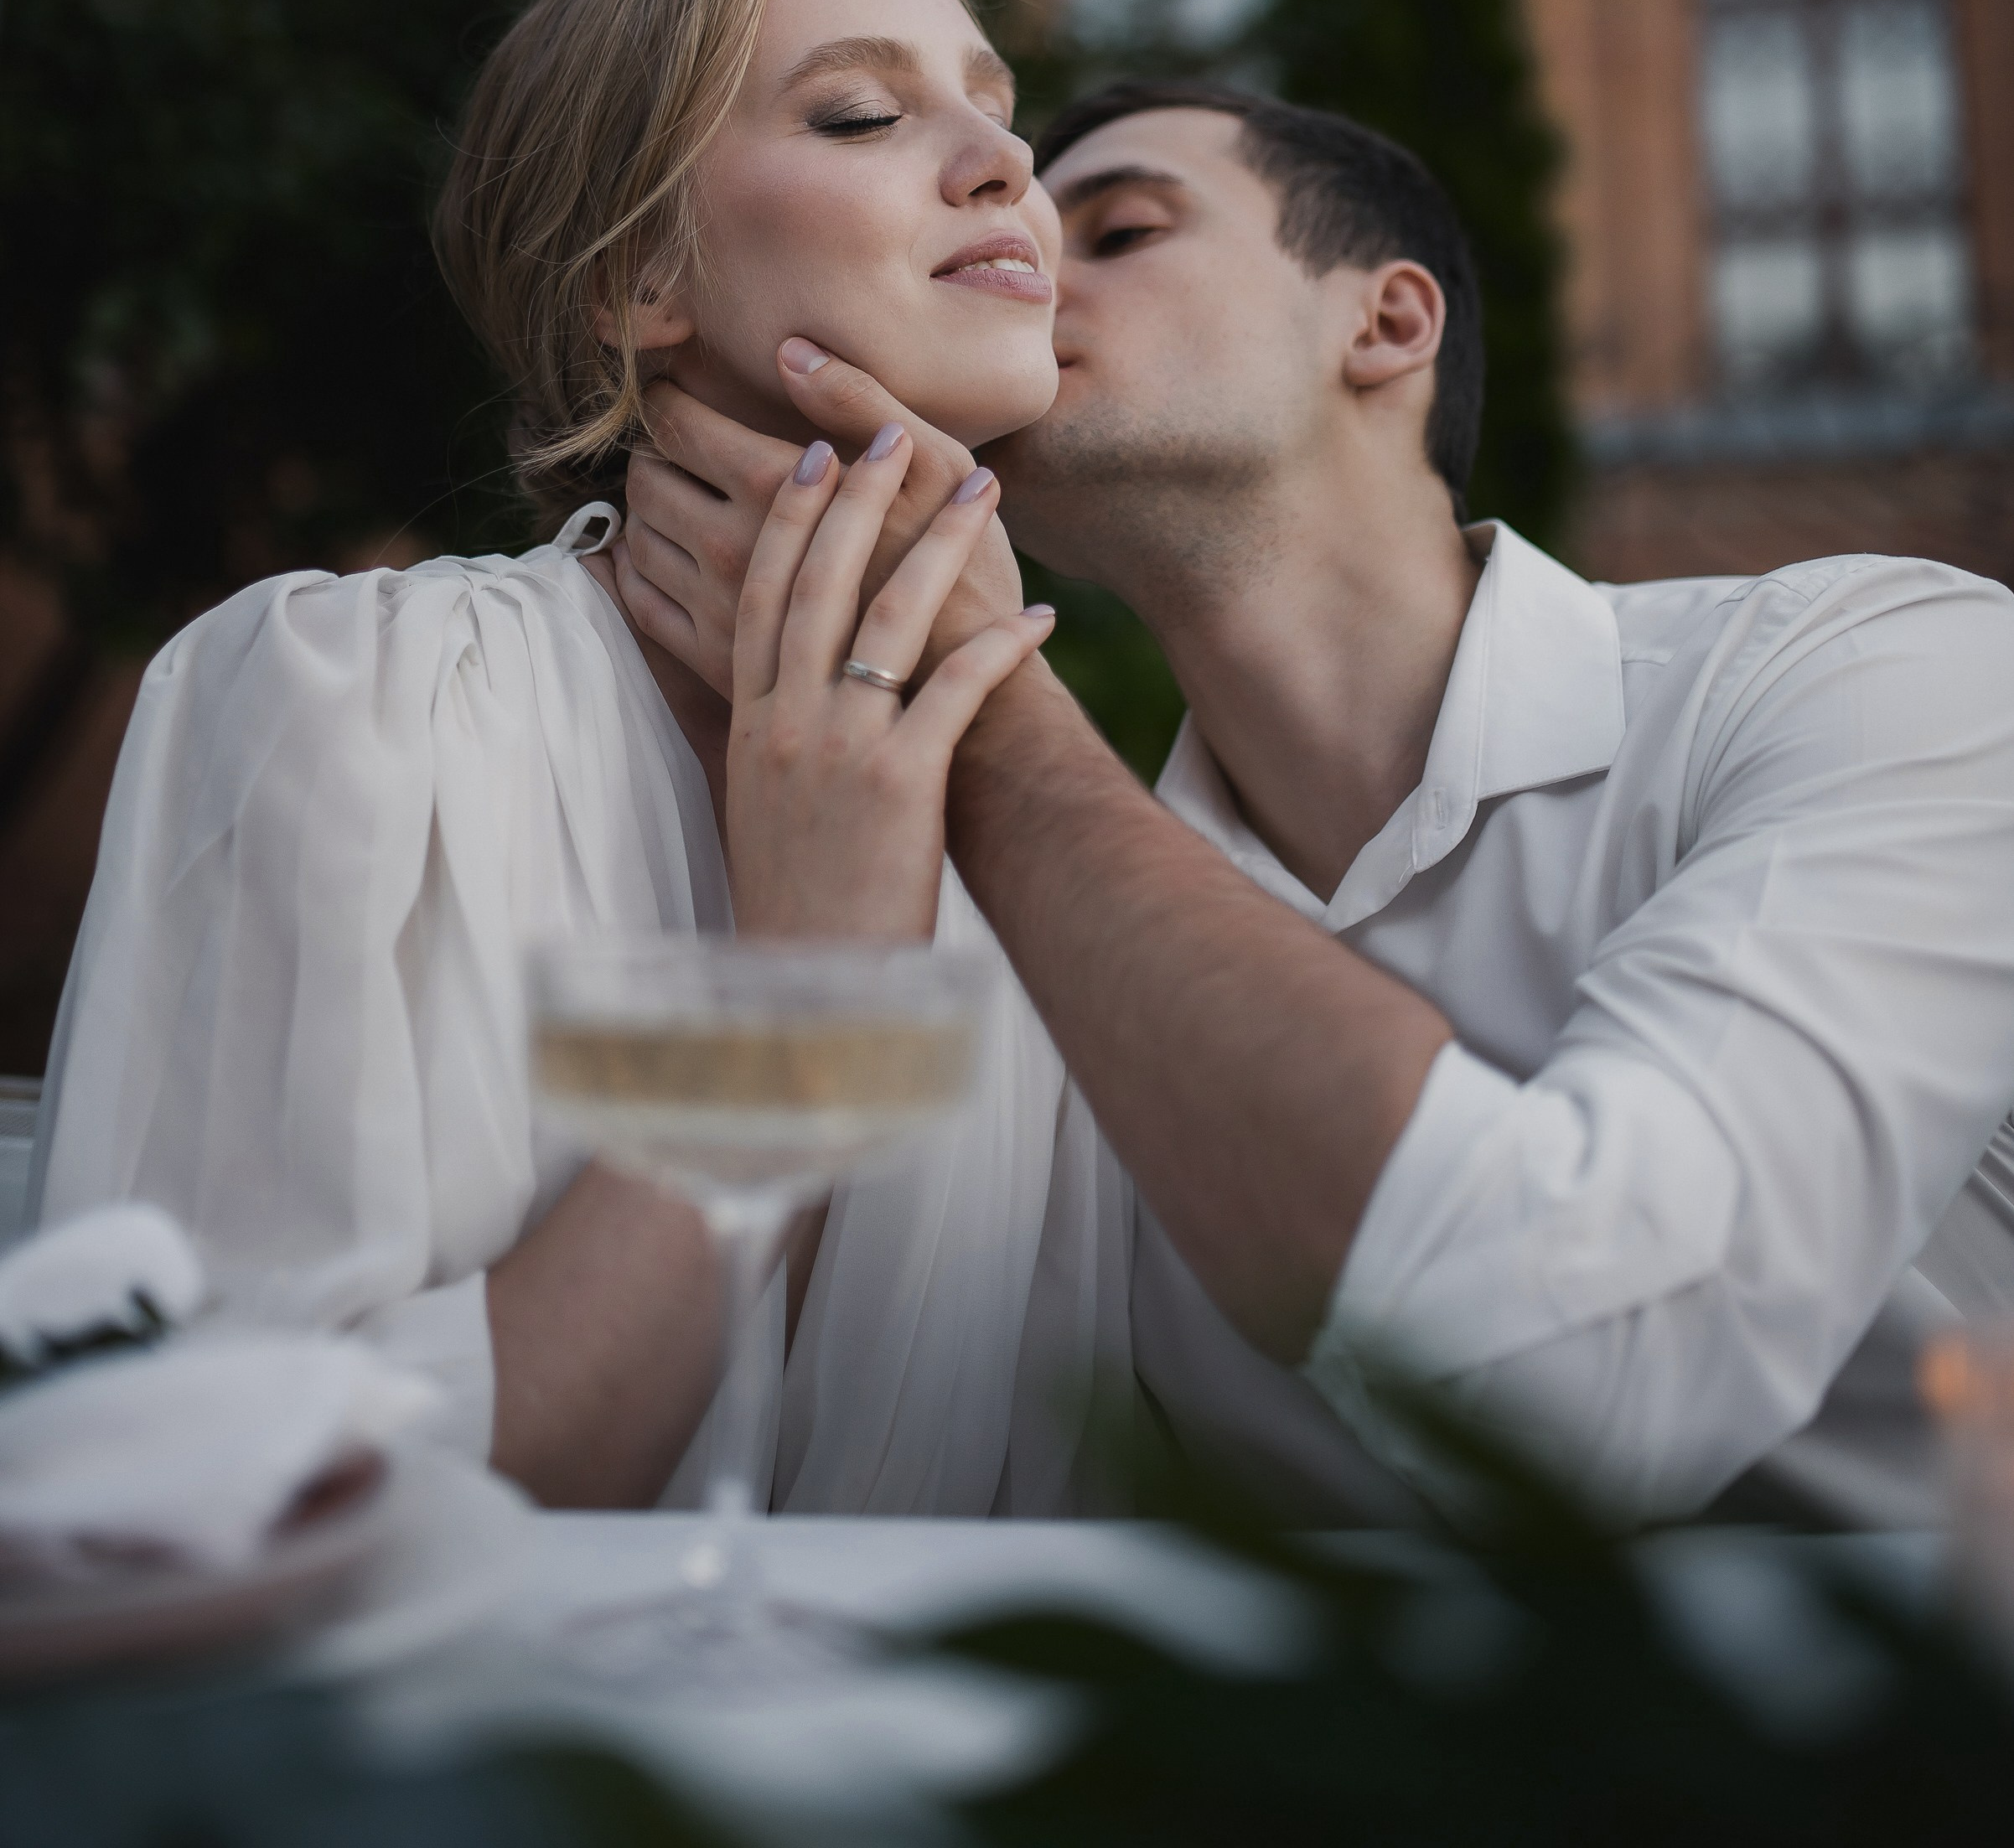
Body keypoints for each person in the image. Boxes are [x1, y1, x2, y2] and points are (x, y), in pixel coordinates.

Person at [616, 78, 2014, 1528]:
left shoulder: (1876, 676)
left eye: (1124, 227)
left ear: (1388, 324)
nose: (1028, 268)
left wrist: (983, 707)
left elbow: (1597, 1381)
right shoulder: (1021, 984)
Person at [32, 0, 1128, 1515]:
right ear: (631, 278)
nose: (1005, 165)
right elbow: (226, 1506)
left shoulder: (1041, 834)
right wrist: (809, 970)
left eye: (997, 108)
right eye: (854, 113)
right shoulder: (349, 699)